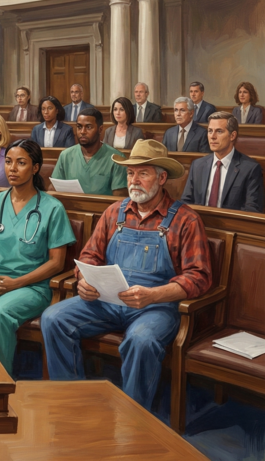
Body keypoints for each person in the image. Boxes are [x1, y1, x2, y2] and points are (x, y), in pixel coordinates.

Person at [42, 139, 212, 411]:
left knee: (141, 340)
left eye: (143, 173)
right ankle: (71, 401)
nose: (134, 180)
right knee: (53, 318)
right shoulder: (114, 212)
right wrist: (84, 281)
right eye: (130, 173)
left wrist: (153, 295)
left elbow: (198, 277)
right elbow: (88, 257)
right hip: (107, 302)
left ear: (162, 178)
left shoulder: (185, 220)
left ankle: (133, 419)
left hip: (155, 308)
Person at [0, 139, 74, 372]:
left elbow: (56, 263)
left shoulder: (52, 208)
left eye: (21, 163)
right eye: (8, 162)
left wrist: (16, 283)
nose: (12, 168)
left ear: (35, 168)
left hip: (31, 286)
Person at [181, 112, 264, 213]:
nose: (212, 136)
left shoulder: (250, 169)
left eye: (219, 131)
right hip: (198, 220)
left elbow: (252, 209)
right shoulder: (197, 165)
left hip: (231, 223)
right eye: (210, 131)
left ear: (232, 136)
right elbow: (186, 202)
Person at [51, 109, 127, 196]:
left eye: (88, 127)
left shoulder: (117, 158)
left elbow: (119, 197)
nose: (82, 132)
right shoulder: (65, 155)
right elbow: (54, 188)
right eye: (79, 127)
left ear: (100, 129)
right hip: (70, 204)